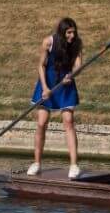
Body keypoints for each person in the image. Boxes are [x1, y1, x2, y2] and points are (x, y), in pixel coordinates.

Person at [27, 17, 83, 179]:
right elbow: (41, 65)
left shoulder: (77, 43)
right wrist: (44, 87)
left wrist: (71, 76)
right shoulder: (48, 42)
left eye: (73, 32)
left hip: (66, 84)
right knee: (41, 123)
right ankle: (36, 163)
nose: (72, 35)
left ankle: (73, 165)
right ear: (62, 32)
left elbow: (79, 65)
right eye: (69, 33)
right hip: (48, 83)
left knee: (68, 122)